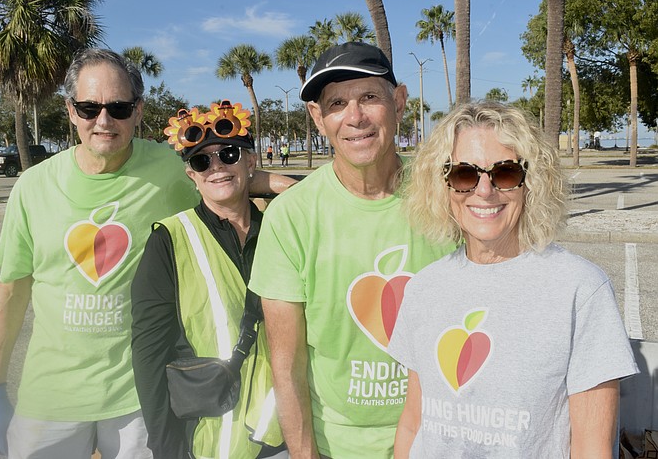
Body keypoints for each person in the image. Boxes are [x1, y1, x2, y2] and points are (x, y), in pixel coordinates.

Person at [0, 48, 294, 458]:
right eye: (90, 108)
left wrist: (284, 187)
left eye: (119, 107)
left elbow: (220, 176)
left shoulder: (168, 169)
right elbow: (11, 293)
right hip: (49, 397)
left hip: (137, 400)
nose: (104, 120)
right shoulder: (32, 186)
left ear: (139, 110)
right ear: (71, 110)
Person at [389, 100, 639, 458]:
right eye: (464, 174)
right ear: (442, 185)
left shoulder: (580, 289)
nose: (485, 190)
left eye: (505, 173)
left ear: (530, 181)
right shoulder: (423, 288)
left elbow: (592, 447)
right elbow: (414, 422)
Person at [248, 42, 455, 458]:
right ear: (317, 118)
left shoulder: (449, 194)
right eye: (337, 103)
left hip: (441, 436)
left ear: (398, 102)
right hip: (336, 445)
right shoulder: (291, 216)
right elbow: (287, 369)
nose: (355, 117)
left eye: (370, 97)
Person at [130, 100, 285, 458]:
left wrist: (272, 183)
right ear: (192, 175)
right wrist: (164, 445)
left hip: (282, 431)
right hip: (209, 440)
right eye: (202, 161)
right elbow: (149, 354)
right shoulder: (169, 240)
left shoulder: (281, 228)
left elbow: (322, 200)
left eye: (229, 154)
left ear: (251, 161)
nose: (215, 167)